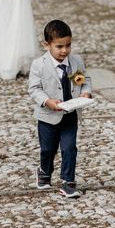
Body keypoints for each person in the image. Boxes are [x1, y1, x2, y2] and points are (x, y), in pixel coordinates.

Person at [28, 20, 93, 198]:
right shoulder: (39, 65)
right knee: (48, 148)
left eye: (68, 45)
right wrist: (47, 101)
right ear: (47, 44)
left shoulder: (76, 61)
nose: (64, 50)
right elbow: (34, 89)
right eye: (59, 46)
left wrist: (86, 93)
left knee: (69, 147)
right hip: (48, 116)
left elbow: (84, 80)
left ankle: (68, 182)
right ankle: (44, 171)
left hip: (70, 113)